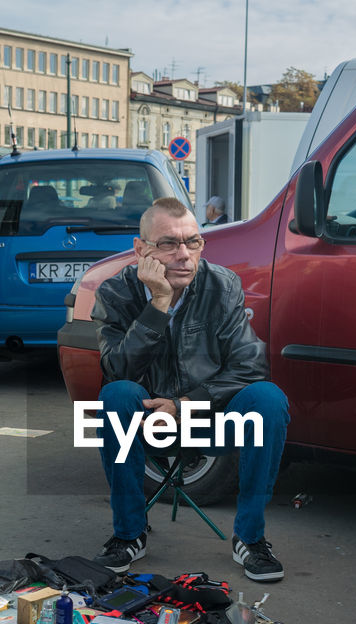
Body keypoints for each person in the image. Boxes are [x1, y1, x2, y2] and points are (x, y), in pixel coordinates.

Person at [90, 196, 289, 581]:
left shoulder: (222, 284)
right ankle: (129, 534)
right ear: (141, 249)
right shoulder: (115, 293)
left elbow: (251, 366)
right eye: (168, 243)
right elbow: (117, 370)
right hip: (144, 421)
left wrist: (185, 404)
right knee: (114, 397)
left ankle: (250, 539)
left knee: (268, 399)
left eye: (192, 242)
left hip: (206, 417)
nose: (183, 254)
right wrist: (159, 303)